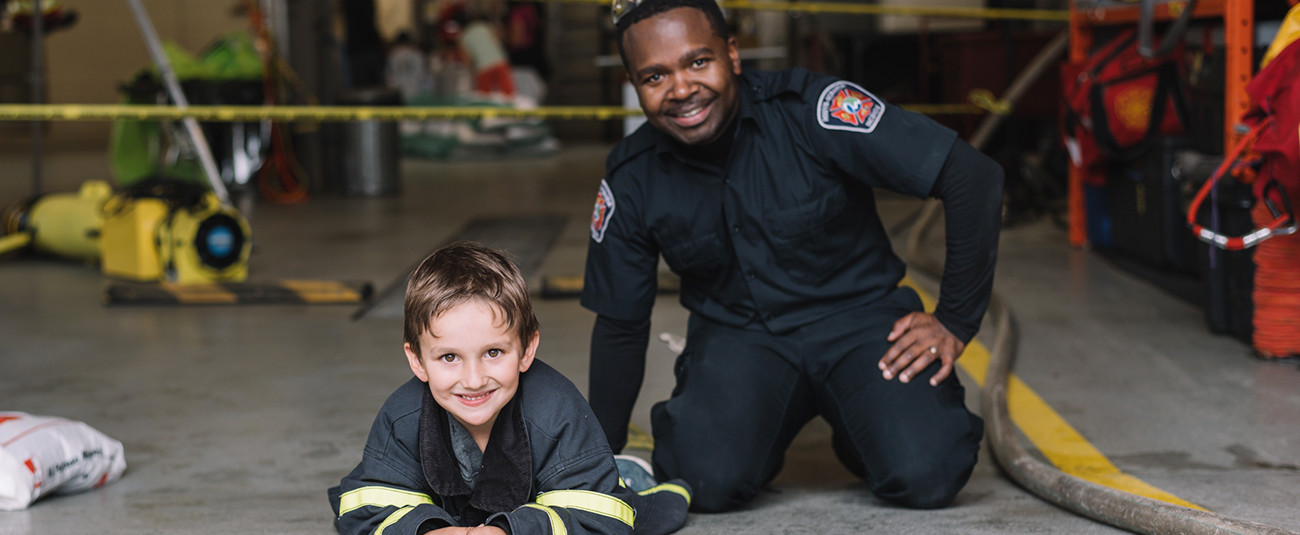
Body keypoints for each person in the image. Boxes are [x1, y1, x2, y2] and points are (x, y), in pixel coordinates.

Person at [583, 0, 1004, 514]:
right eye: (654, 76)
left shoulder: (813, 110)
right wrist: (595, 460)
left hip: (862, 322)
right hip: (740, 336)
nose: (682, 90)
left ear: (732, 54)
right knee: (704, 482)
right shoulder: (633, 176)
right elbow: (621, 324)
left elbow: (971, 177)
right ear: (633, 83)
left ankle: (864, 426)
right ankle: (759, 434)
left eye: (698, 62)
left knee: (928, 474)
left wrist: (955, 320)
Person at [329, 242, 691, 535]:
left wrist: (511, 530)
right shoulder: (403, 416)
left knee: (627, 494)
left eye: (493, 352)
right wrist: (427, 530)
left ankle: (628, 468)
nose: (473, 379)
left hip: (580, 475)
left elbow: (601, 515)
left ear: (527, 349)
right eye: (449, 357)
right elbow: (366, 504)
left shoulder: (555, 411)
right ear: (417, 361)